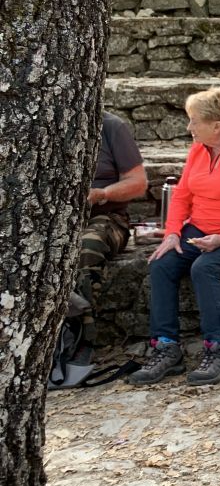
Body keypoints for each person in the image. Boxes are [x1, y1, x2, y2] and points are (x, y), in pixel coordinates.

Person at [128, 87, 220, 387]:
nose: (188, 127)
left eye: (194, 121)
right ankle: (166, 347)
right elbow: (182, 195)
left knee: (204, 268)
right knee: (162, 264)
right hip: (201, 227)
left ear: (217, 126)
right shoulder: (198, 149)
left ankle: (215, 349)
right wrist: (172, 233)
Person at [71, 112, 148, 359]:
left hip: (105, 217)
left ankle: (81, 336)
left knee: (87, 246)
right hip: (52, 220)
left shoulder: (111, 126)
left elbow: (138, 182)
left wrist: (102, 193)